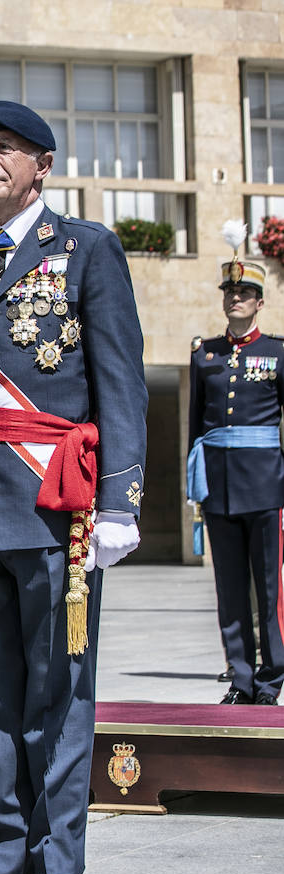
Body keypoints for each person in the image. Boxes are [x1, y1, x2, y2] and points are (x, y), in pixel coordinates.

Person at [0, 101, 147, 874]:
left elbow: (119, 379)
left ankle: (58, 867)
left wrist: (121, 502)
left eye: (4, 149)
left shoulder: (86, 251)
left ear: (41, 164)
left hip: (57, 505)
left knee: (59, 693)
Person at [188, 252, 284, 706]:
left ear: (259, 302)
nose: (236, 299)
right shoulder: (205, 354)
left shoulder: (277, 353)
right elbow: (196, 429)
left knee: (269, 590)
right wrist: (196, 487)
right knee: (229, 590)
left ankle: (271, 680)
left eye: (245, 293)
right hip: (220, 488)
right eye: (230, 293)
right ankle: (241, 678)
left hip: (266, 485)